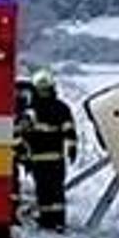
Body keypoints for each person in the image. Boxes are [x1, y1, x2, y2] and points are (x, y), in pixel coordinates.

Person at [16, 70, 77, 229]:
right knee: (55, 191)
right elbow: (69, 130)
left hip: (40, 159)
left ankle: (48, 221)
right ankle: (57, 221)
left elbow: (21, 133)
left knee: (45, 192)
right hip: (56, 159)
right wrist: (72, 148)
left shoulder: (31, 110)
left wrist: (23, 156)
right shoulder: (61, 107)